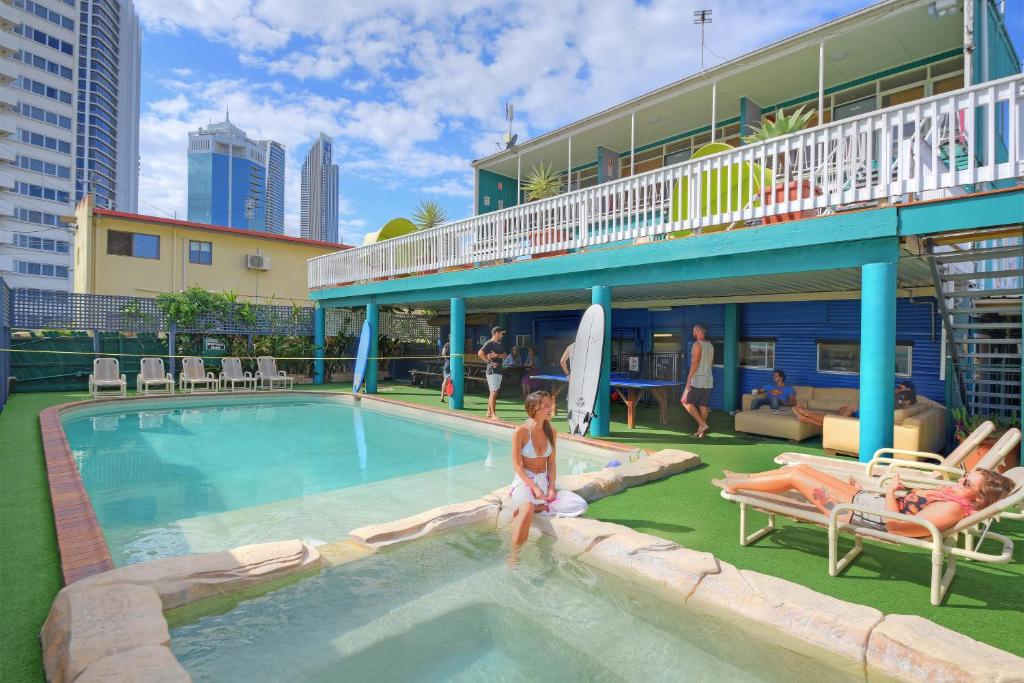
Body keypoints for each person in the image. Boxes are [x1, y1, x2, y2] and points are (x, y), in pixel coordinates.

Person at [714, 464, 1013, 537]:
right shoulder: (952, 497)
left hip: (858, 514)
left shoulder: (951, 508)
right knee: (801, 469)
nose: (960, 480)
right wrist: (894, 490)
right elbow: (911, 505)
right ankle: (747, 477)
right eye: (964, 475)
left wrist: (888, 493)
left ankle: (739, 486)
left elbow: (895, 526)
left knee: (796, 479)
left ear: (979, 496)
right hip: (866, 501)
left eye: (966, 482)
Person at [506, 391, 588, 563]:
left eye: (551, 404)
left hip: (543, 482)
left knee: (580, 504)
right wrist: (533, 487)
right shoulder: (520, 432)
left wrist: (551, 487)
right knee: (526, 510)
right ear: (534, 408)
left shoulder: (552, 431)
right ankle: (514, 554)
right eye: (547, 405)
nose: (551, 408)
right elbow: (517, 466)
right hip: (524, 482)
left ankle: (540, 507)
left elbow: (551, 463)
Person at [793, 381, 916, 427]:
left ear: (908, 390)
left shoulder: (904, 400)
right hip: (871, 414)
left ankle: (807, 414)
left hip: (871, 418)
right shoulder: (901, 399)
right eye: (898, 387)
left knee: (845, 412)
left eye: (901, 387)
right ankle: (805, 418)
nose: (898, 389)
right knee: (844, 410)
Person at [681, 324, 714, 438]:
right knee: (703, 405)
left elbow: (695, 363)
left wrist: (689, 379)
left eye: (694, 331)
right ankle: (701, 432)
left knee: (684, 401)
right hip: (709, 379)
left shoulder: (697, 344)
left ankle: (702, 424)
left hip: (698, 378)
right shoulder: (710, 345)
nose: (693, 333)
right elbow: (711, 364)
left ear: (699, 331)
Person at [478, 326, 507, 419]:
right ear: (496, 333)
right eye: (501, 333)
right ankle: (493, 414)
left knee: (493, 392)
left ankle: (489, 412)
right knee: (494, 392)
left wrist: (497, 355)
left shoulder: (498, 344)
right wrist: (489, 362)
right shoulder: (489, 343)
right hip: (492, 371)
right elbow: (480, 353)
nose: (502, 335)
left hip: (499, 371)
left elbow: (505, 355)